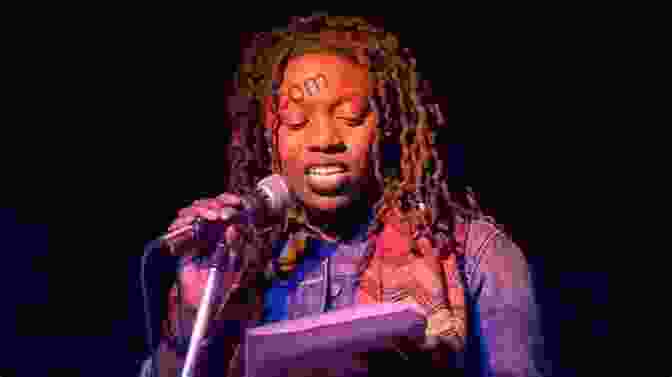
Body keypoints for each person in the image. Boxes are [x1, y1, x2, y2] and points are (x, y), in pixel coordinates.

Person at [139, 14, 546, 377]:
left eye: (350, 117)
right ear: (270, 138)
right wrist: (196, 310)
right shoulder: (238, 267)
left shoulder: (474, 254)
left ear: (387, 124)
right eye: (297, 122)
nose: (324, 139)